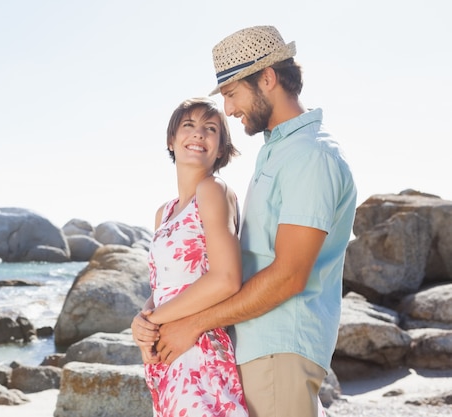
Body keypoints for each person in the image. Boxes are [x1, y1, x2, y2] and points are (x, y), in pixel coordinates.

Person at [132, 25, 356, 417]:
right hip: (255, 345)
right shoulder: (279, 153)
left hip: (280, 345)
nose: (231, 110)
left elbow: (289, 275)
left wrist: (193, 324)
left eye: (232, 95)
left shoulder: (309, 156)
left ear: (266, 79)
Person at [136, 97, 248, 416]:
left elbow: (226, 279)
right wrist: (142, 319)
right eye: (188, 125)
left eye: (210, 128)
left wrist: (155, 320)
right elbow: (163, 288)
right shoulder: (165, 212)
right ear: (171, 140)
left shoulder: (213, 190)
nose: (198, 134)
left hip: (199, 345)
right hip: (169, 350)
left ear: (222, 149)